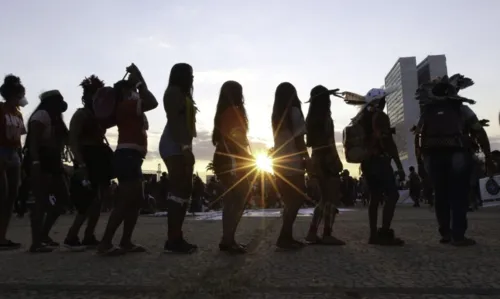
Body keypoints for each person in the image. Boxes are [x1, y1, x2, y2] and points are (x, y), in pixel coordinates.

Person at [415, 74, 492, 246]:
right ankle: (458, 235)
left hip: (433, 156)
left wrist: (421, 160)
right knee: (458, 194)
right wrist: (488, 155)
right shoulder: (461, 108)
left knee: (440, 195)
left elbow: (418, 135)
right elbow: (479, 131)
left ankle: (445, 233)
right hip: (458, 154)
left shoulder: (427, 111)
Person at [97, 64, 158, 255]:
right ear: (125, 92)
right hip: (128, 157)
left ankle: (125, 241)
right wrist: (139, 81)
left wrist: (139, 78)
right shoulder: (126, 106)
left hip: (131, 157)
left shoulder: (125, 106)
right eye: (132, 90)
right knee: (125, 201)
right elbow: (152, 101)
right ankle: (106, 243)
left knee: (136, 200)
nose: (135, 93)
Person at [345, 87, 405, 245]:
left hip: (367, 163)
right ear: (379, 101)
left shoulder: (361, 117)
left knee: (375, 197)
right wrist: (399, 166)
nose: (385, 102)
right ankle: (384, 233)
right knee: (393, 195)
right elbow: (388, 143)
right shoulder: (381, 116)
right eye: (383, 99)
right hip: (380, 161)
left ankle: (373, 235)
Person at [64, 75, 114, 251]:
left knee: (98, 200)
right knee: (88, 200)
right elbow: (73, 141)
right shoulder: (80, 114)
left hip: (99, 157)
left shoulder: (100, 116)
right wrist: (81, 164)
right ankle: (72, 235)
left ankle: (89, 235)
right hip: (87, 157)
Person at [24, 90, 70, 253]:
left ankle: (43, 235)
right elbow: (33, 141)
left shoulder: (56, 118)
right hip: (41, 160)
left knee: (62, 198)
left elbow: (66, 139)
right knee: (40, 201)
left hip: (53, 161)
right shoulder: (42, 115)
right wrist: (35, 162)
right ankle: (36, 242)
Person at [159, 63, 197, 254]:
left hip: (182, 143)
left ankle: (177, 236)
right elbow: (175, 121)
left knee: (185, 190)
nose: (192, 77)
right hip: (174, 143)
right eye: (190, 74)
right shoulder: (173, 92)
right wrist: (184, 148)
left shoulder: (182, 93)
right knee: (178, 189)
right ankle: (172, 239)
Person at [212, 80, 252, 254]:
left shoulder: (222, 113)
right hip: (233, 160)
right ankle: (228, 239)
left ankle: (227, 238)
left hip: (224, 157)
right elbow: (236, 139)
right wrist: (246, 158)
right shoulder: (234, 112)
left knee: (231, 200)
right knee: (238, 199)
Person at [271, 82, 312, 250]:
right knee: (297, 198)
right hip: (293, 160)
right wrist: (306, 159)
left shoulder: (276, 115)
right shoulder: (294, 112)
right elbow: (299, 140)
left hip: (279, 161)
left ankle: (286, 235)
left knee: (290, 200)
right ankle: (284, 235)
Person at [304, 85, 345, 245]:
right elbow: (330, 142)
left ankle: (312, 232)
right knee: (331, 199)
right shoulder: (326, 118)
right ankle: (327, 233)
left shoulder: (311, 119)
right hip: (327, 160)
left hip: (316, 159)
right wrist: (336, 160)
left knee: (323, 199)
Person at [0, 75, 28, 250]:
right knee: (2, 194)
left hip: (14, 154)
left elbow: (18, 138)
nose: (22, 99)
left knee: (11, 197)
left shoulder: (18, 114)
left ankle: (2, 237)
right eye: (20, 95)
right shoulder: (1, 109)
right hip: (1, 152)